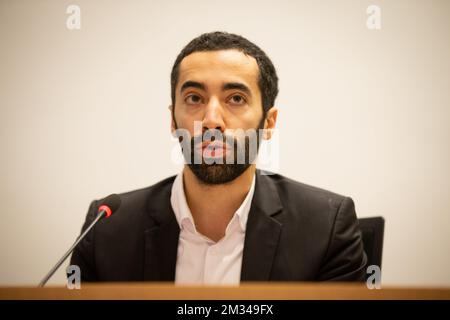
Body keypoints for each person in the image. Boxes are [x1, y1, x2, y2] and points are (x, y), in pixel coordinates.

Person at [70, 31, 367, 283]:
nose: (211, 120)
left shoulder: (326, 229)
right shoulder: (106, 229)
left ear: (269, 122)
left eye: (236, 99)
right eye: (194, 98)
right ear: (173, 119)